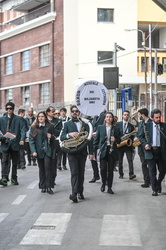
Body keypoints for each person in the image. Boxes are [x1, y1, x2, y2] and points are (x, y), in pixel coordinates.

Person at [60, 105, 93, 202]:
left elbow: (89, 139)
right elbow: (61, 137)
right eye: (73, 111)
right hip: (72, 152)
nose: (75, 112)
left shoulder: (85, 124)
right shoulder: (66, 124)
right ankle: (74, 193)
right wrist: (68, 134)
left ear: (79, 112)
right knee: (74, 173)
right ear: (71, 113)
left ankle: (80, 192)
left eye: (77, 111)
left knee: (81, 173)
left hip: (82, 152)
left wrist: (91, 152)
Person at [139, 109, 166, 196]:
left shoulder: (164, 126)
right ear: (152, 117)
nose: (158, 119)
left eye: (159, 117)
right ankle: (154, 189)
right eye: (156, 117)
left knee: (162, 171)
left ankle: (158, 183)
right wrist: (145, 144)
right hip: (150, 151)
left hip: (161, 151)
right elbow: (141, 137)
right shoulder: (147, 125)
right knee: (152, 171)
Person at [93, 112, 121, 194]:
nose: (108, 118)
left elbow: (120, 139)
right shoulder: (100, 127)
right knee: (103, 169)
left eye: (110, 117)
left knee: (110, 170)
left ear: (112, 119)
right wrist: (94, 151)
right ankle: (103, 183)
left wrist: (115, 139)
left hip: (112, 150)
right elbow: (96, 140)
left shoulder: (116, 128)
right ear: (105, 118)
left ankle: (109, 187)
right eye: (107, 117)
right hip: (103, 150)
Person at [0, 102, 26, 186]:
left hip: (15, 143)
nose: (9, 110)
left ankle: (14, 178)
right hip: (5, 143)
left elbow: (23, 130)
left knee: (15, 163)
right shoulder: (1, 119)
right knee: (4, 161)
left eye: (10, 108)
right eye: (7, 108)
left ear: (13, 109)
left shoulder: (19, 119)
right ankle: (4, 177)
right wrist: (1, 137)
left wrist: (22, 139)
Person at [29, 111, 55, 194]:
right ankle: (43, 186)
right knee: (41, 169)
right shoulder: (34, 127)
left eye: (42, 116)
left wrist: (50, 137)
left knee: (48, 167)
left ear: (45, 118)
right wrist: (33, 151)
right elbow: (31, 140)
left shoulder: (50, 126)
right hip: (39, 151)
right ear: (37, 118)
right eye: (39, 116)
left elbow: (54, 139)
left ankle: (49, 187)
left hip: (48, 151)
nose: (40, 118)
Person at [116, 110, 136, 180]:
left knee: (130, 160)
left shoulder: (131, 126)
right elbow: (116, 134)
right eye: (125, 115)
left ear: (129, 116)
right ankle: (121, 174)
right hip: (120, 144)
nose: (126, 116)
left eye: (127, 115)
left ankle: (131, 174)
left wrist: (133, 147)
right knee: (120, 161)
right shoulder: (118, 124)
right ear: (122, 116)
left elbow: (132, 137)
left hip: (128, 145)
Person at [134, 108, 150, 188]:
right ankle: (147, 181)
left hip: (148, 147)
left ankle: (151, 180)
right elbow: (138, 133)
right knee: (144, 164)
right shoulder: (140, 124)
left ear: (142, 115)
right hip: (141, 148)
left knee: (150, 165)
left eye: (139, 114)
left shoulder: (151, 122)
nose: (139, 116)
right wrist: (135, 137)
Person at [89, 110, 107, 183]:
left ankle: (105, 178)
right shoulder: (95, 116)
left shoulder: (105, 115)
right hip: (93, 139)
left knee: (102, 161)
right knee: (93, 158)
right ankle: (96, 175)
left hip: (101, 140)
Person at [46, 106, 62, 184]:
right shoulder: (44, 121)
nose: (54, 113)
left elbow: (60, 131)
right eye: (52, 111)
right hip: (45, 144)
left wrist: (52, 132)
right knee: (46, 164)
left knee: (53, 163)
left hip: (54, 144)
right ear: (48, 113)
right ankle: (47, 180)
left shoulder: (58, 121)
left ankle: (53, 178)